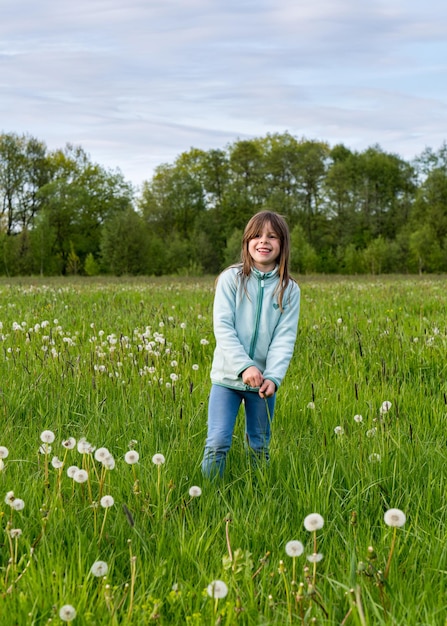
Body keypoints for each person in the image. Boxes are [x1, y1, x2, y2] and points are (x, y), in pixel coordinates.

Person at [201, 210, 300, 478]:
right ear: (247, 242)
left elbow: (284, 337)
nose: (263, 241)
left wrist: (274, 377)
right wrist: (244, 366)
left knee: (259, 447)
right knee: (218, 442)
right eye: (256, 235)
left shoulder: (289, 289)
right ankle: (207, 498)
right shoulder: (231, 279)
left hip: (263, 384)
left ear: (282, 245)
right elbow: (223, 327)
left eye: (272, 236)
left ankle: (259, 495)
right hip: (226, 379)